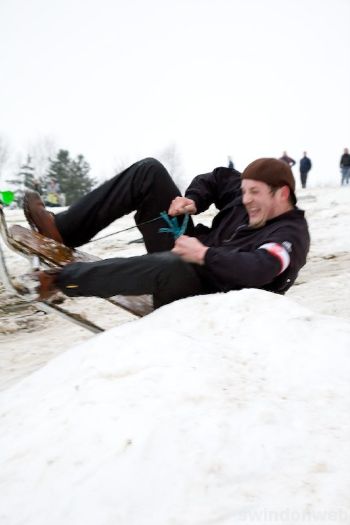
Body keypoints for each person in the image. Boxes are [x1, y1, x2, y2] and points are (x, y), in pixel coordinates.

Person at [23, 157, 310, 308]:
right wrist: (194, 199)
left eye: (254, 193)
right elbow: (218, 179)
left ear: (282, 194)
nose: (245, 198)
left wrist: (204, 255)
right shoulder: (247, 195)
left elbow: (261, 267)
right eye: (245, 190)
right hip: (190, 254)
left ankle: (60, 282)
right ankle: (61, 231)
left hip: (206, 297)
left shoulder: (289, 236)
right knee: (150, 171)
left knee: (175, 264)